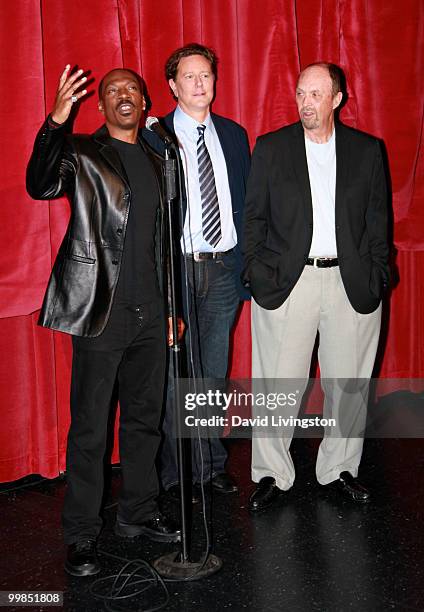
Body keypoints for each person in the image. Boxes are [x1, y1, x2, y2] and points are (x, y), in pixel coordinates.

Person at [26, 66, 180, 576]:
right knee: (91, 428)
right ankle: (81, 534)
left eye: (131, 89)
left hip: (152, 312)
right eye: (113, 90)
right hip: (101, 310)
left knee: (144, 420)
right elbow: (40, 185)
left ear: (144, 99)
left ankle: (137, 513)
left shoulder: (160, 156)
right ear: (101, 106)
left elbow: (166, 241)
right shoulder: (83, 152)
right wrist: (55, 121)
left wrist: (173, 306)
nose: (123, 96)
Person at [243, 62, 390, 512]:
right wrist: (257, 270)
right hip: (290, 282)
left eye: (315, 95)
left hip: (351, 282)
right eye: (301, 93)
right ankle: (272, 474)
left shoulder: (367, 151)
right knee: (277, 385)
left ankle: (339, 469)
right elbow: (253, 220)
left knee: (350, 385)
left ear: (337, 99)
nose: (305, 103)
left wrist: (377, 273)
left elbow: (378, 222)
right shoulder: (271, 148)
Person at [144, 43, 250, 500]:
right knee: (173, 374)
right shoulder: (154, 137)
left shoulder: (233, 134)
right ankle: (176, 472)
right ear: (172, 85)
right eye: (189, 76)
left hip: (223, 267)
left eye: (206, 75)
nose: (199, 84)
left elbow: (246, 203)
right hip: (178, 268)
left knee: (212, 374)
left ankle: (209, 465)